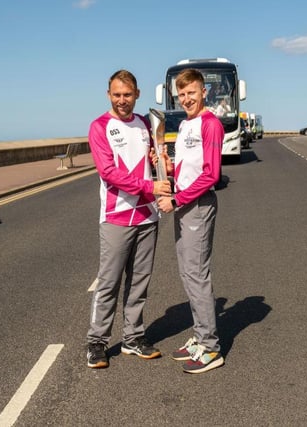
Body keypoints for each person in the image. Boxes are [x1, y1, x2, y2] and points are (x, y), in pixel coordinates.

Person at [85, 70, 172, 369]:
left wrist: (160, 161)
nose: (123, 100)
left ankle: (133, 337)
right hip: (116, 215)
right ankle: (96, 341)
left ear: (137, 94)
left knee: (139, 282)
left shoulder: (147, 124)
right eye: (117, 94)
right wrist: (150, 186)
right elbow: (108, 172)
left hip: (148, 215)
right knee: (108, 282)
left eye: (128, 94)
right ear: (109, 94)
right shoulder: (100, 127)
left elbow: (154, 158)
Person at [156, 68, 224, 374]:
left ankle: (210, 347)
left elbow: (210, 174)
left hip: (197, 205)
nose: (186, 99)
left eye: (191, 93)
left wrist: (176, 200)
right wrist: (166, 167)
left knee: (196, 274)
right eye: (181, 94)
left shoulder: (210, 125)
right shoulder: (184, 125)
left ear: (203, 92)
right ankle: (199, 335)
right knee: (186, 273)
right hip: (183, 204)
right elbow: (186, 168)